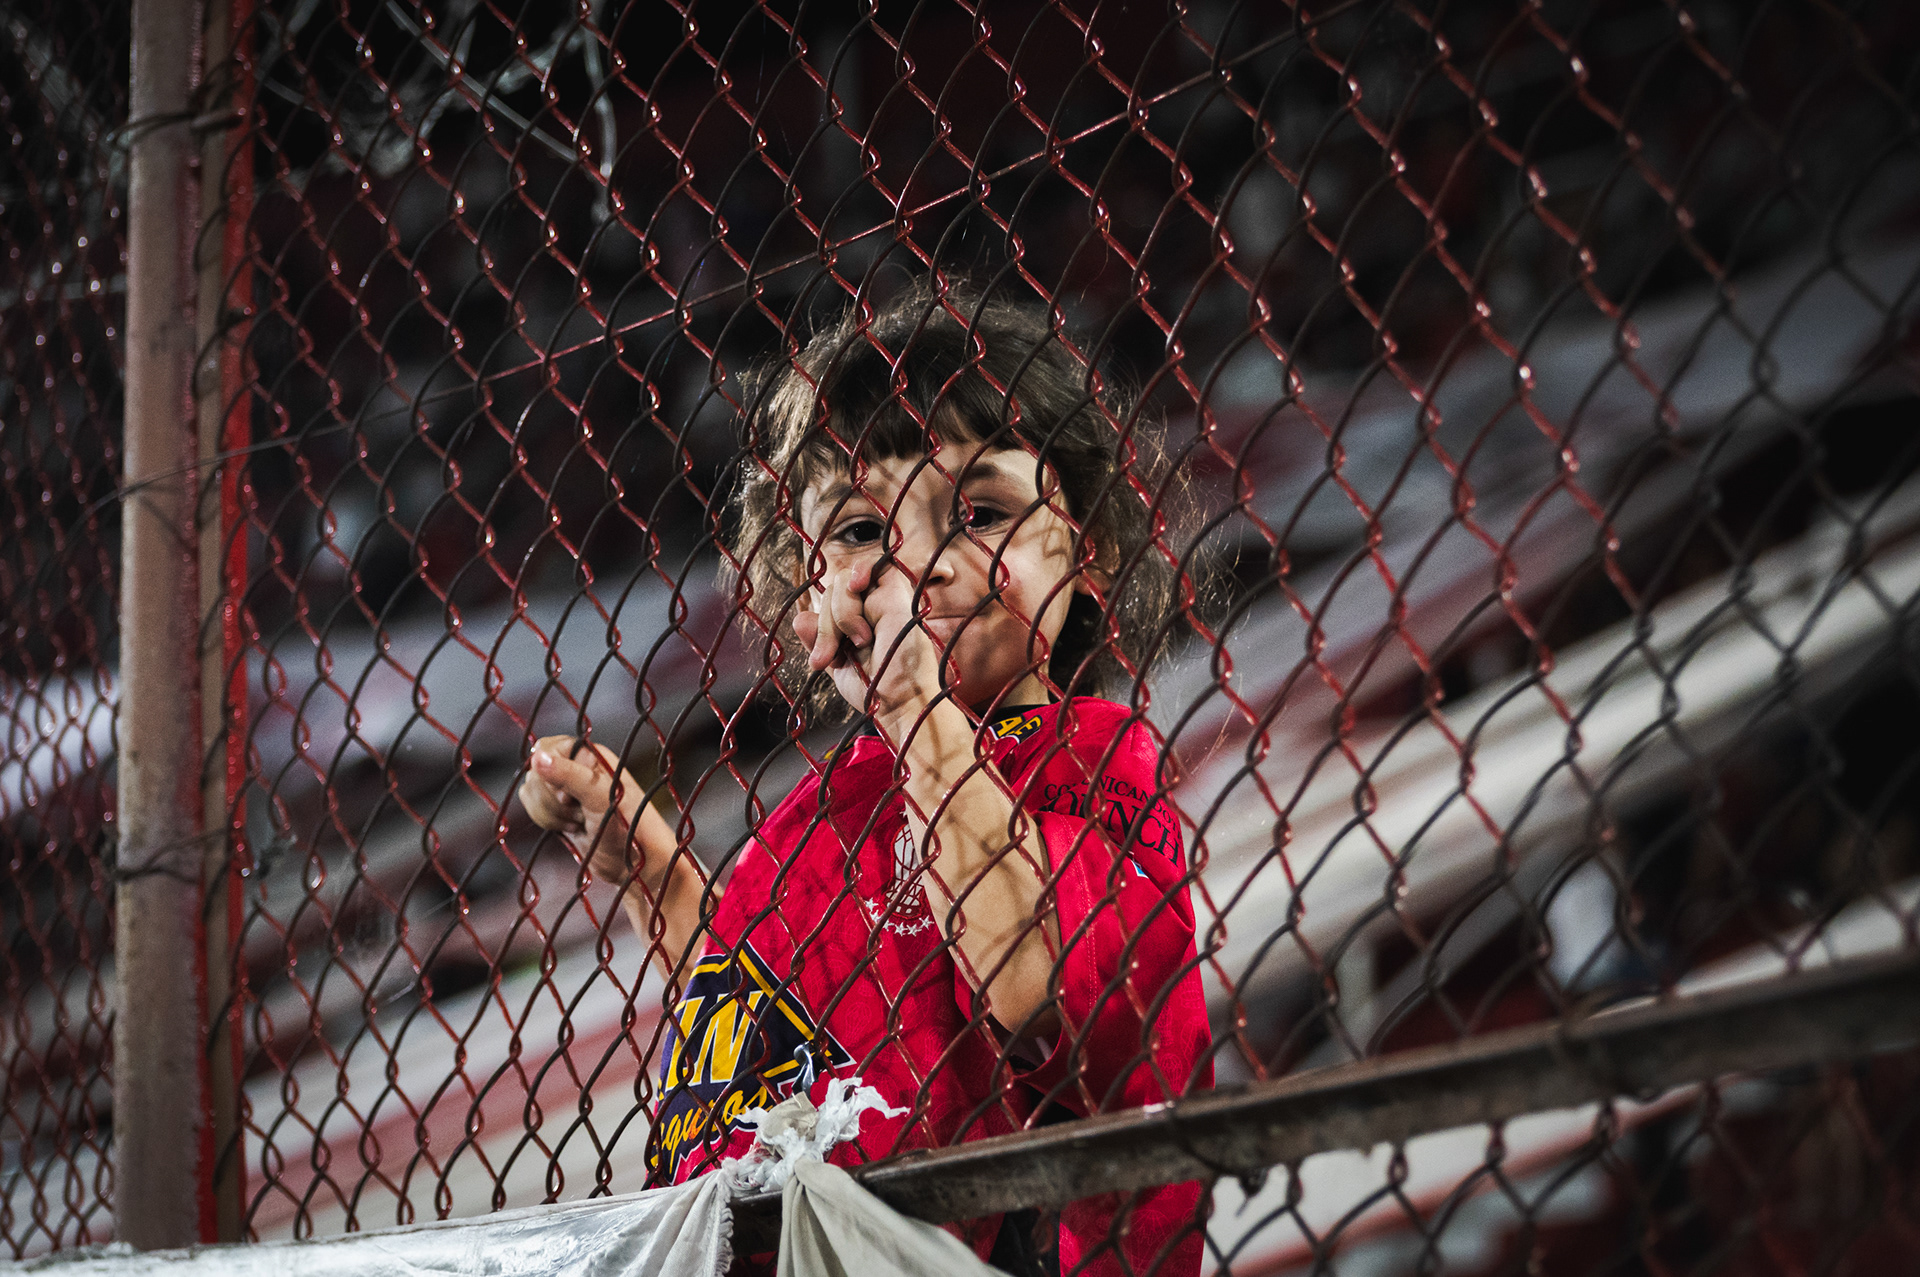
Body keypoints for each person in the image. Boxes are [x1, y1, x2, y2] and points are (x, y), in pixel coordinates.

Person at [517, 279, 1209, 1276]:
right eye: (860, 532)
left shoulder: (1089, 756)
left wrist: (919, 712)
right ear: (806, 600)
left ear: (1088, 548)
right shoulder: (822, 810)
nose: (915, 561)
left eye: (978, 510)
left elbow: (1033, 989)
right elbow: (770, 1030)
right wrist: (649, 867)